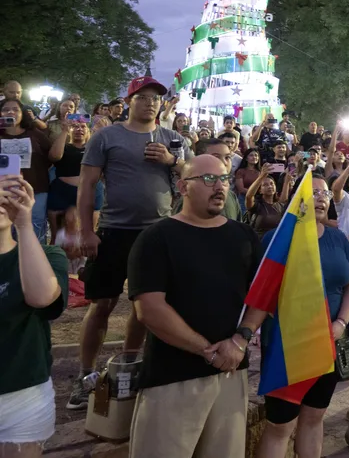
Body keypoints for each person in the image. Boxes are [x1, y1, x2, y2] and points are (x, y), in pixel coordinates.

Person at [126, 155, 264, 458]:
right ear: (182, 187)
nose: (219, 187)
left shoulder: (244, 236)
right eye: (208, 179)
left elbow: (261, 296)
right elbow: (149, 309)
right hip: (172, 378)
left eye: (224, 179)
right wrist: (208, 351)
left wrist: (239, 341)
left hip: (230, 375)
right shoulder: (156, 238)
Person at [68, 76, 186, 410]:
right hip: (113, 231)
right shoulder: (107, 136)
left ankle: (130, 366)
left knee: (145, 306)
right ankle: (86, 373)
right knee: (101, 304)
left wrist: (172, 161)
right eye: (144, 97)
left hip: (156, 234)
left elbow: (192, 176)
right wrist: (86, 232)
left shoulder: (172, 139)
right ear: (129, 100)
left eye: (156, 98)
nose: (151, 103)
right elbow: (87, 185)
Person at [254, 176, 349, 458]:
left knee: (315, 418)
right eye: (313, 192)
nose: (321, 197)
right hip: (287, 347)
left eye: (325, 192)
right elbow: (261, 291)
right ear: (297, 198)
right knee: (280, 426)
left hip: (328, 343)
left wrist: (341, 323)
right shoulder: (277, 239)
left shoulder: (337, 238)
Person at [0, 175, 69, 457]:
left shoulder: (48, 255)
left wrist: (24, 224)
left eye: (8, 189)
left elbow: (42, 297)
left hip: (22, 396)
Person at [0, 99, 58, 242]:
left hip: (36, 190)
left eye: (15, 109)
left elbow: (52, 156)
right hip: (4, 192)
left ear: (22, 114)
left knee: (35, 228)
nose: (11, 112)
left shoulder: (34, 134)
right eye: (6, 109)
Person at [234, 149, 262, 213]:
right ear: (246, 158)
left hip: (258, 199)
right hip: (243, 199)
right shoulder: (241, 171)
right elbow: (241, 189)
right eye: (251, 155)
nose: (254, 157)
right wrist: (253, 193)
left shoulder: (260, 172)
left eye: (256, 155)